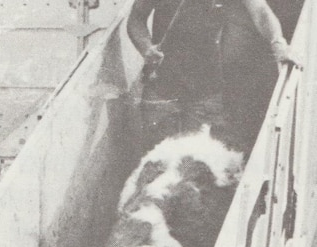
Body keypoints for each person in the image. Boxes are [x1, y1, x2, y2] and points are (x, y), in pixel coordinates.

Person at [127, 0, 298, 152]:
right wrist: (146, 48)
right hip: (161, 88)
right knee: (156, 160)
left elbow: (261, 11)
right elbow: (136, 17)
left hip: (206, 90)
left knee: (199, 161)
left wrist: (278, 42)